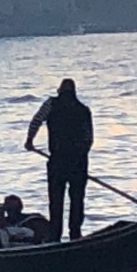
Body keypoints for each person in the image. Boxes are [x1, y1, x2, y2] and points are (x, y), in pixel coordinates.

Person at [25, 77, 94, 242]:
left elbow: (36, 121)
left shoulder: (51, 104)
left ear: (60, 90)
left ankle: (55, 235)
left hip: (58, 160)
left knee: (56, 200)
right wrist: (80, 154)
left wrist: (29, 141)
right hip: (78, 162)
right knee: (77, 200)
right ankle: (75, 235)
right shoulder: (83, 110)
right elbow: (89, 138)